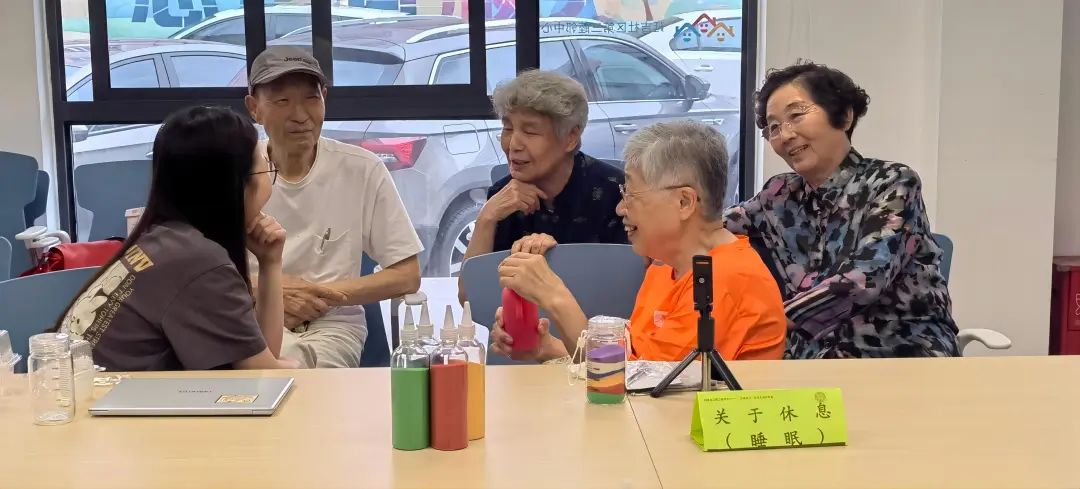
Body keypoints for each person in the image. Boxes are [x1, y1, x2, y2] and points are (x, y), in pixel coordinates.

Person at [489, 121, 787, 363]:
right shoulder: (665, 266)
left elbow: (643, 387)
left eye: (630, 194)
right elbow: (633, 357)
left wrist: (556, 297)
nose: (621, 208)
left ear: (684, 202)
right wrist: (545, 349)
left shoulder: (727, 279)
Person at [725, 61, 959, 359]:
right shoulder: (779, 193)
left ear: (845, 116)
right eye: (773, 127)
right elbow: (710, 230)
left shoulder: (892, 181)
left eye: (796, 115)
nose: (784, 135)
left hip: (898, 348)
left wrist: (767, 320)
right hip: (809, 353)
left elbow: (865, 279)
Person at [57, 106, 299, 371]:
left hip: (82, 390)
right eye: (266, 170)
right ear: (234, 184)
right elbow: (263, 374)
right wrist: (299, 369)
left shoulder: (165, 239)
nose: (269, 179)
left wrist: (270, 263)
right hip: (102, 395)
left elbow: (258, 354)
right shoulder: (199, 262)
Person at [244, 46, 422, 368]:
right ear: (254, 108)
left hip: (331, 325)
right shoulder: (238, 169)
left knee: (298, 372)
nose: (300, 115)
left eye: (311, 98)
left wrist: (315, 294)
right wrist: (266, 290)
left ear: (324, 98)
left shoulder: (362, 169)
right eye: (282, 101)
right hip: (249, 317)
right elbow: (200, 270)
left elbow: (406, 276)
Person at [459, 69, 627, 303]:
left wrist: (558, 259)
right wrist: (487, 218)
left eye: (530, 132)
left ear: (571, 137)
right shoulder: (503, 195)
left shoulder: (615, 192)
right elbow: (470, 299)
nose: (513, 144)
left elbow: (629, 290)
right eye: (507, 129)